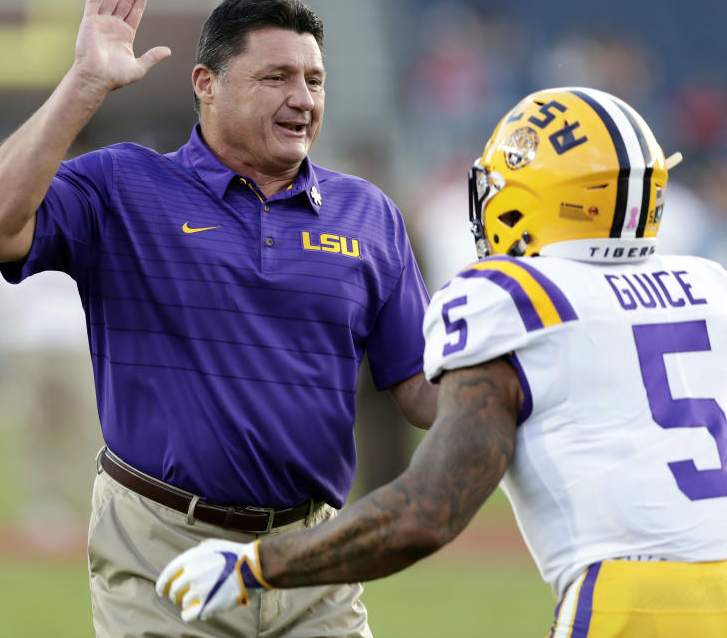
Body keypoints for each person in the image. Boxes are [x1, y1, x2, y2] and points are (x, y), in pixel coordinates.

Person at [0, 0, 437, 637]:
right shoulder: (125, 185)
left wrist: (519, 388)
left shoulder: (368, 214)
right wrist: (83, 85)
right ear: (206, 85)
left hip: (309, 553)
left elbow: (418, 388)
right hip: (159, 543)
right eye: (276, 78)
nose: (303, 98)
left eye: (315, 80)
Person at [158, 87, 727, 636]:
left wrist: (256, 566)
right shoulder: (709, 286)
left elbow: (426, 513)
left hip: (637, 601)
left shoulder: (510, 298)